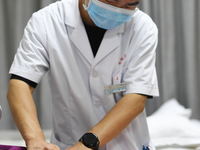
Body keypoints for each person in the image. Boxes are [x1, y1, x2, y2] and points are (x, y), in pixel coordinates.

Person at [7, 0, 159, 149]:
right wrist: (35, 139)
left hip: (128, 144)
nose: (118, 9)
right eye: (110, 2)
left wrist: (86, 144)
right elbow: (20, 84)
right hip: (69, 143)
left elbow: (136, 99)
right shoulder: (47, 21)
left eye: (130, 5)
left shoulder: (142, 27)